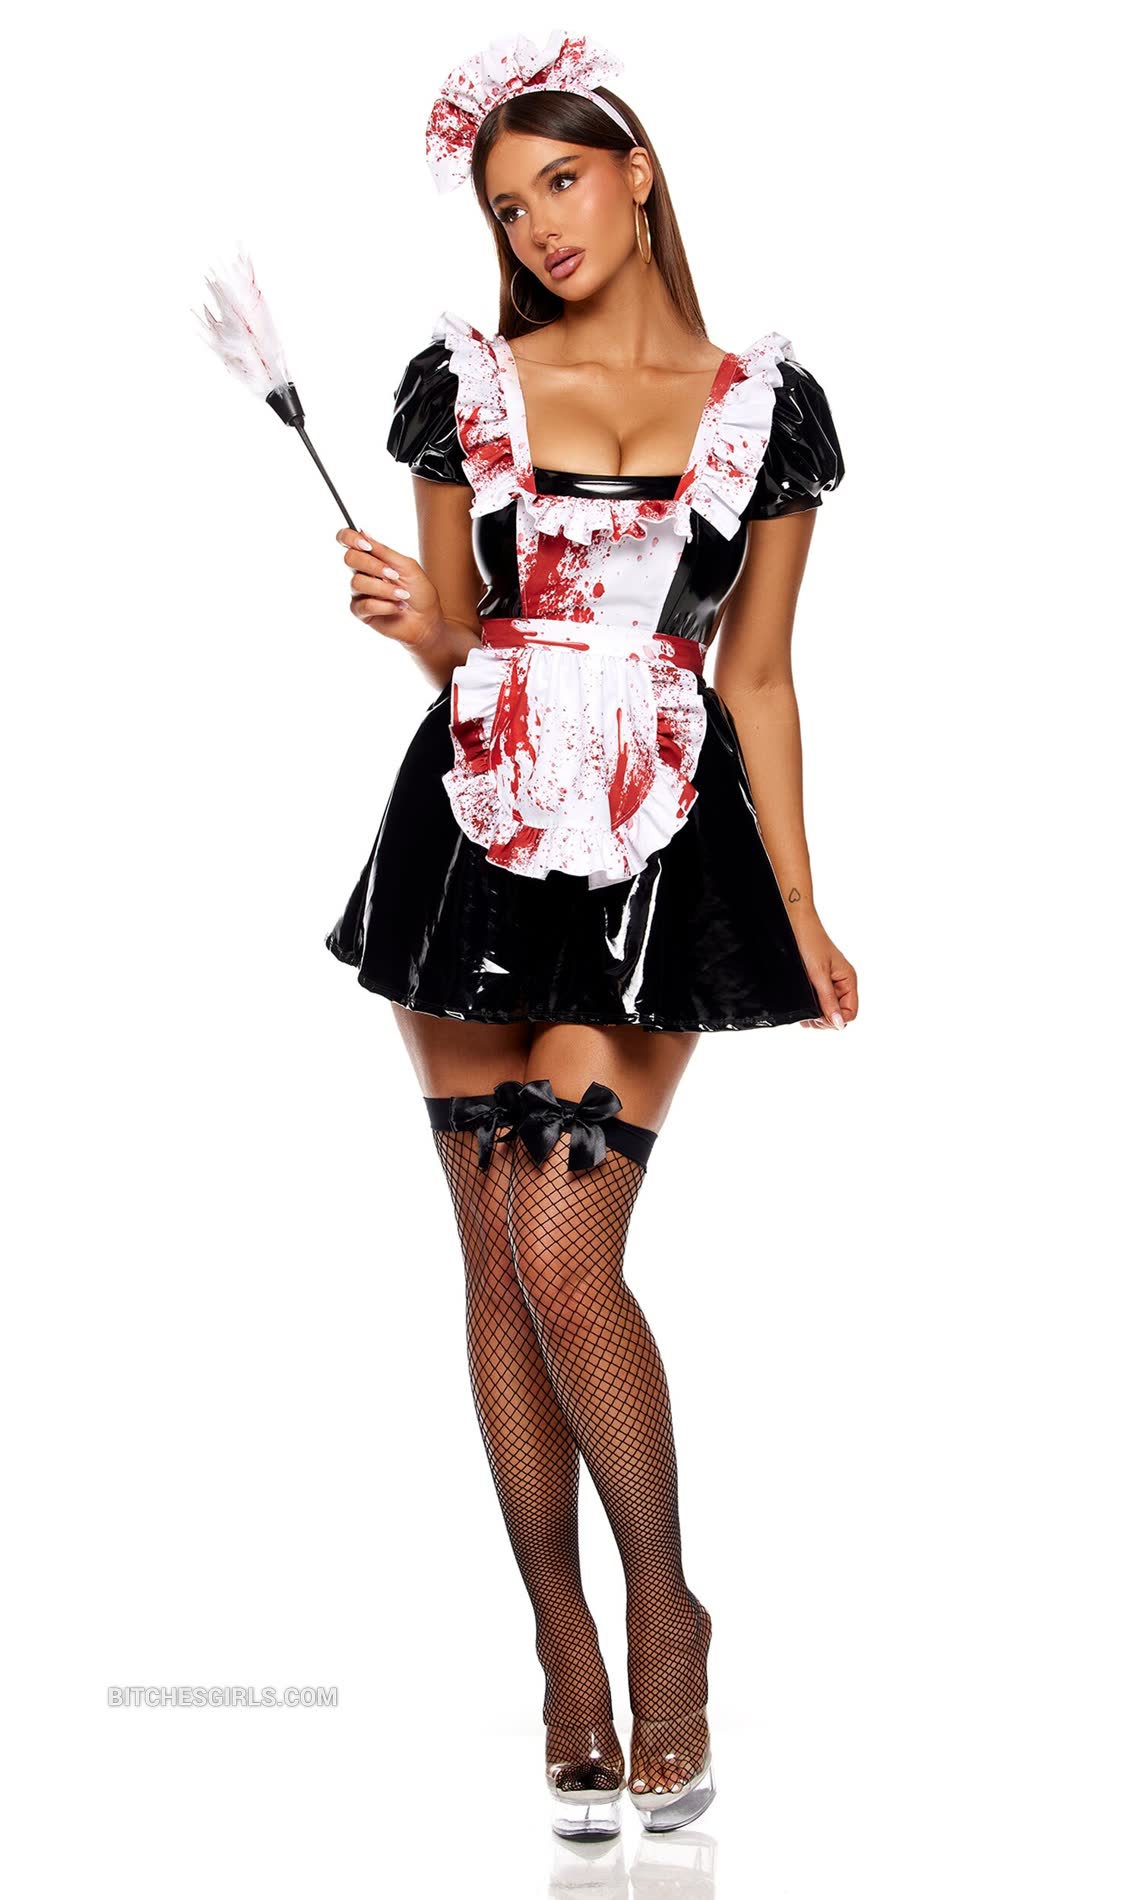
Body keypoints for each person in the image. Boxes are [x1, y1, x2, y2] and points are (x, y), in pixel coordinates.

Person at [324, 28, 859, 1840]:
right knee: (493, 1268)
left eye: (562, 179)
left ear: (636, 176)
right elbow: (460, 645)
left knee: (565, 1255)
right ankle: (563, 1650)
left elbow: (758, 674)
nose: (539, 223)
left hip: (660, 845)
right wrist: (415, 619)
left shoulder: (763, 406)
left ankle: (666, 1615)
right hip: (472, 833)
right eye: (506, 204)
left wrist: (802, 907)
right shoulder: (460, 385)